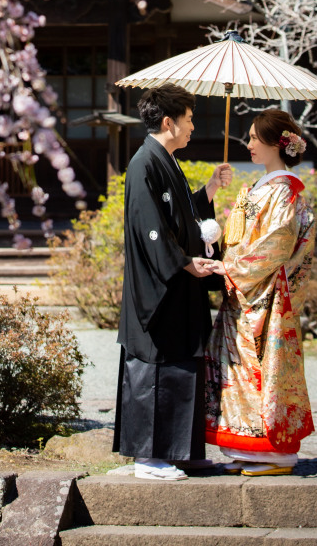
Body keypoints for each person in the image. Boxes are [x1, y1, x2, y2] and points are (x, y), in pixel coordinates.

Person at [112, 82, 232, 481]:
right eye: (190, 119)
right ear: (169, 122)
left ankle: (182, 450)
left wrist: (211, 189)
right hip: (158, 289)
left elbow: (180, 216)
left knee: (183, 364)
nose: (194, 126)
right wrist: (182, 263)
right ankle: (149, 457)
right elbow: (151, 229)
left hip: (179, 282)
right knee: (155, 368)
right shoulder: (144, 163)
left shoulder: (166, 160)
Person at [204, 107, 315, 476]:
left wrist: (231, 267)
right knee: (239, 370)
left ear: (275, 143)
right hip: (245, 291)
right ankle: (248, 447)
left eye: (254, 137)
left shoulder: (284, 189)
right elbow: (241, 236)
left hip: (265, 294)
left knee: (264, 370)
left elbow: (277, 244)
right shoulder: (263, 187)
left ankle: (276, 452)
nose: (248, 143)